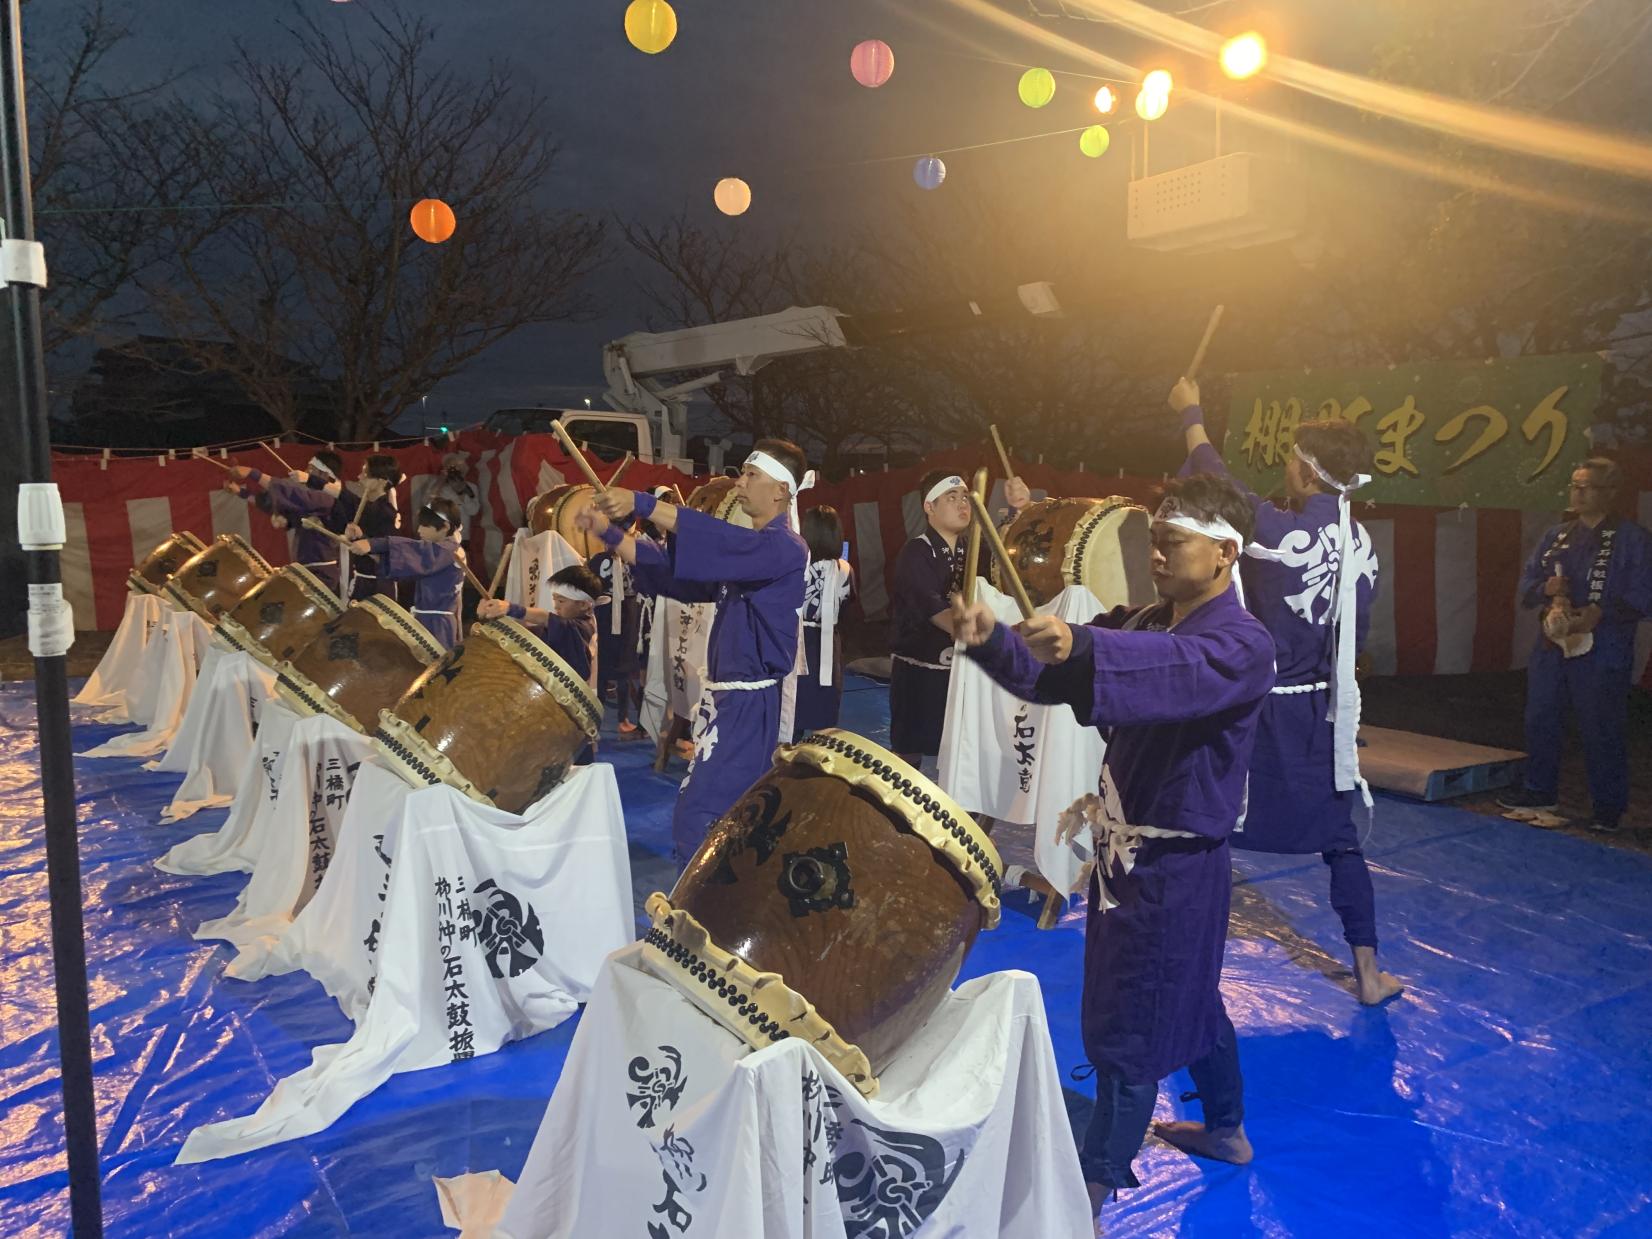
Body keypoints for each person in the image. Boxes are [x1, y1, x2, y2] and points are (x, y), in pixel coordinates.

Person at [951, 472, 1275, 1223]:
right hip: (1129, 856)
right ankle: (1226, 1129)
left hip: (1176, 862)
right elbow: (1061, 677)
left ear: (1225, 552)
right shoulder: (1153, 622)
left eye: (1172, 542)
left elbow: (1170, 675)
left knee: (1128, 1024)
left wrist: (1087, 641)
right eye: (1153, 542)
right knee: (1190, 994)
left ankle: (1086, 1198)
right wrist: (992, 642)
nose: (1156, 554)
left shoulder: (1240, 644)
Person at [1171, 377, 1401, 1006]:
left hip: (1260, 706)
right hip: (1326, 709)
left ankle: (1189, 961)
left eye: (1292, 458)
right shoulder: (1360, 541)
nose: (1285, 466)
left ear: (1307, 470)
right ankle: (1369, 973)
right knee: (1339, 838)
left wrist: (1192, 410)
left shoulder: (1276, 533)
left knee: (1213, 825)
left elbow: (1215, 478)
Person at [581, 440, 809, 866]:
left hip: (748, 704)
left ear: (780, 489)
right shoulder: (755, 551)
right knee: (726, 813)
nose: (739, 484)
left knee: (700, 815)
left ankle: (706, 912)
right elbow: (672, 576)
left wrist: (642, 502)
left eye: (750, 475)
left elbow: (725, 541)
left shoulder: (784, 547)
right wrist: (610, 532)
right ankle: (725, 903)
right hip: (729, 701)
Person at [1498, 456, 1652, 833]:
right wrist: (1544, 589)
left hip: (1603, 646)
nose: (1578, 493)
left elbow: (1643, 594)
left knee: (1601, 724)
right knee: (1541, 715)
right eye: (1574, 486)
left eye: (1587, 487)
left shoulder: (1633, 540)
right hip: (1553, 643)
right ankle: (1539, 790)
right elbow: (1527, 586)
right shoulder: (1558, 535)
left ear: (1611, 493)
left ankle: (1607, 808)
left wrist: (1601, 611)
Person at [889, 470, 1030, 772]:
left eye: (965, 497)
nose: (962, 504)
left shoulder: (974, 549)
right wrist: (990, 637)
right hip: (922, 674)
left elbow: (1011, 562)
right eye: (951, 498)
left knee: (960, 758)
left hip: (965, 671)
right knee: (909, 760)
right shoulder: (917, 552)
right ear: (930, 507)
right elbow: (934, 609)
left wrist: (1021, 511)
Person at [479, 563, 605, 765]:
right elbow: (537, 629)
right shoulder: (568, 624)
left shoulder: (582, 626)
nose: (556, 606)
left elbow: (550, 620)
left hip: (574, 709)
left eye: (561, 601)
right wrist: (493, 616)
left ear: (584, 605)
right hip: (556, 706)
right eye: (555, 600)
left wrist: (512, 608)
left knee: (574, 763)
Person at [346, 497, 466, 648]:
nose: (419, 530)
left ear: (445, 527)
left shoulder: (448, 550)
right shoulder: (439, 552)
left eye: (424, 525)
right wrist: (362, 541)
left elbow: (415, 550)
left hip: (439, 626)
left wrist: (372, 544)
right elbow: (401, 562)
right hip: (428, 621)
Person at [222, 450, 348, 591]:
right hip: (307, 568)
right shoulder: (315, 498)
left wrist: (254, 474)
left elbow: (293, 494)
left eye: (310, 469)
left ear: (324, 474)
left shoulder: (329, 496)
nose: (305, 472)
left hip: (321, 571)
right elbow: (272, 503)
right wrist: (240, 491)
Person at [793, 505, 854, 739]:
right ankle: (815, 767)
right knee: (823, 707)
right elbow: (849, 606)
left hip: (796, 639)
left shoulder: (796, 565)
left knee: (791, 706)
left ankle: (781, 764)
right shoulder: (845, 569)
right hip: (827, 644)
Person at [340, 454, 403, 600]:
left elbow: (388, 557)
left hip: (379, 585)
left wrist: (362, 538)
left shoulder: (386, 513)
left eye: (365, 473)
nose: (359, 476)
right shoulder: (367, 506)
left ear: (381, 481)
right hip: (362, 580)